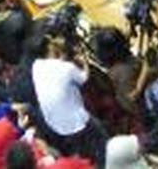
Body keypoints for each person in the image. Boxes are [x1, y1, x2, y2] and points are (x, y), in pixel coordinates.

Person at [31, 33, 108, 166]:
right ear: (49, 48)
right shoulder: (66, 68)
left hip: (55, 124)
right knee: (101, 138)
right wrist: (84, 62)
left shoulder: (36, 66)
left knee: (83, 151)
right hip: (77, 122)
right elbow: (84, 78)